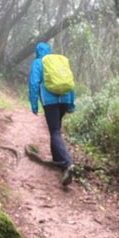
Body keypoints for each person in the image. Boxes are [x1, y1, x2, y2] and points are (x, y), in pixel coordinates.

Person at [28, 42, 75, 186]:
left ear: (37, 52)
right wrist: (71, 104)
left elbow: (34, 84)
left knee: (54, 131)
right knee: (56, 129)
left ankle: (67, 164)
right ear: (49, 51)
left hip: (50, 101)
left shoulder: (38, 62)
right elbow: (71, 82)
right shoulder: (59, 61)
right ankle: (57, 159)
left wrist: (34, 104)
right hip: (65, 98)